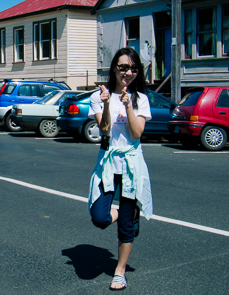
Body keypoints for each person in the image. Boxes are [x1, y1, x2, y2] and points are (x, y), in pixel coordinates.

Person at [88, 47, 153, 291]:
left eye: (133, 68)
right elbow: (105, 130)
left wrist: (128, 106)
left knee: (126, 225)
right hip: (107, 163)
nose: (128, 72)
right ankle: (121, 211)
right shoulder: (99, 96)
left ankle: (120, 271)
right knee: (100, 217)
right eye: (123, 67)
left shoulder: (141, 99)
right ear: (114, 68)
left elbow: (136, 134)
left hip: (132, 165)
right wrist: (107, 105)